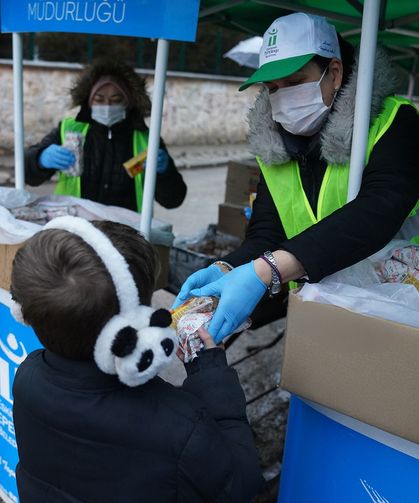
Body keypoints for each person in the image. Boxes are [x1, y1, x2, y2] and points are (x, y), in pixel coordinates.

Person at [174, 12, 419, 342]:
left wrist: (267, 271)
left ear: (334, 73)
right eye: (273, 88)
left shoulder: (394, 122)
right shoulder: (274, 145)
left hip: (399, 304)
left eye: (293, 82)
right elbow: (267, 232)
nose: (282, 97)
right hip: (324, 307)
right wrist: (227, 269)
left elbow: (378, 209)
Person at [10, 216, 265, 503]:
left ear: (24, 312)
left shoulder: (26, 376)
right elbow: (240, 482)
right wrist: (211, 373)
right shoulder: (181, 424)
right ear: (137, 325)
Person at [24, 58, 186, 212]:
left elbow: (173, 200)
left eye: (116, 100)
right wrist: (40, 159)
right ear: (88, 101)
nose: (107, 106)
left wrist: (165, 172)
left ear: (129, 102)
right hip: (75, 228)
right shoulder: (69, 130)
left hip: (126, 231)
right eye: (99, 100)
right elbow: (27, 174)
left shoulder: (146, 140)